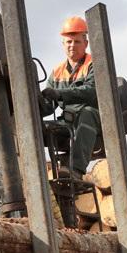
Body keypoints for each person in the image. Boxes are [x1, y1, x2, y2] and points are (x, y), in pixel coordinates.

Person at [39, 16, 100, 177]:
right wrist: (34, 103)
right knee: (37, 128)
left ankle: (76, 170)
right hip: (68, 120)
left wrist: (60, 93)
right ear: (63, 44)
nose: (72, 45)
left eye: (77, 41)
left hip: (95, 116)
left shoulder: (94, 64)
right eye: (69, 42)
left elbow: (91, 92)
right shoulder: (57, 72)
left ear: (86, 44)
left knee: (87, 113)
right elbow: (48, 106)